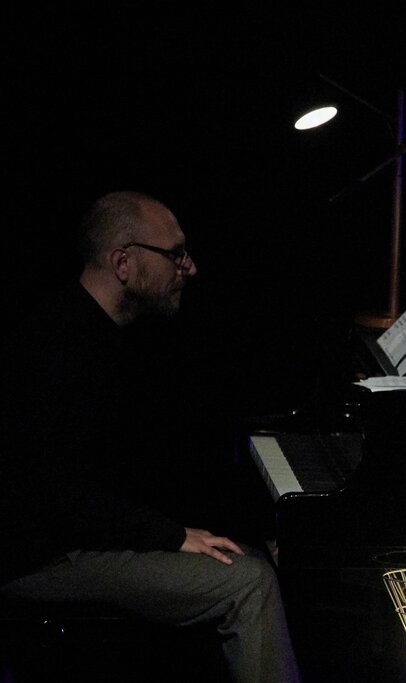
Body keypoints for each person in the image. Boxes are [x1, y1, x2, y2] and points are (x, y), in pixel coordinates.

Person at [0, 191, 302, 682]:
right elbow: (63, 496)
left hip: (81, 535)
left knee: (249, 557)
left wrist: (241, 528)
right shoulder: (55, 349)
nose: (190, 268)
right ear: (124, 263)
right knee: (249, 582)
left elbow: (149, 468)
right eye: (175, 254)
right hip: (41, 559)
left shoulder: (113, 336)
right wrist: (173, 536)